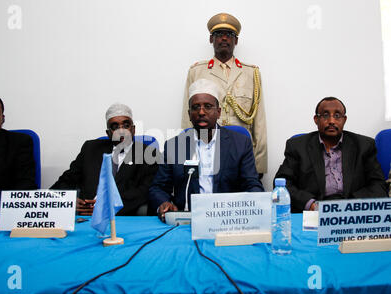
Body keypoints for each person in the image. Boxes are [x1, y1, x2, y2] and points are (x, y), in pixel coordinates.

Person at [150, 79, 264, 222]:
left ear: (218, 112)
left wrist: (255, 203)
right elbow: (158, 188)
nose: (201, 112)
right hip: (187, 219)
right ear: (189, 114)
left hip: (228, 219)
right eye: (195, 107)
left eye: (208, 106)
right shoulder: (174, 146)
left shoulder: (240, 143)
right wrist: (163, 203)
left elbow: (252, 184)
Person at [180, 12, 267, 177]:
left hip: (241, 152)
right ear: (211, 39)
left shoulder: (251, 73)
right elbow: (188, 118)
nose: (224, 38)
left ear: (236, 41)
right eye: (219, 34)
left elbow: (260, 122)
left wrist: (259, 164)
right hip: (205, 150)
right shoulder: (197, 72)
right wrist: (188, 156)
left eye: (229, 35)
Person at [274, 97, 389, 213]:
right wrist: (310, 204)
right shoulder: (297, 146)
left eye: (337, 116)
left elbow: (379, 186)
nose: (332, 121)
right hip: (314, 213)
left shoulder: (364, 146)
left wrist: (350, 206)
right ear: (316, 119)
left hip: (352, 214)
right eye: (325, 115)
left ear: (344, 120)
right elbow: (282, 184)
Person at [51, 103, 158, 216]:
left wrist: (108, 207)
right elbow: (65, 181)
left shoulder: (148, 154)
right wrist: (68, 201)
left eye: (126, 125)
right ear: (108, 133)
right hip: (84, 215)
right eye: (115, 127)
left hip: (119, 217)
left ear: (133, 129)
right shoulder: (90, 149)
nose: (121, 130)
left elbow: (144, 191)